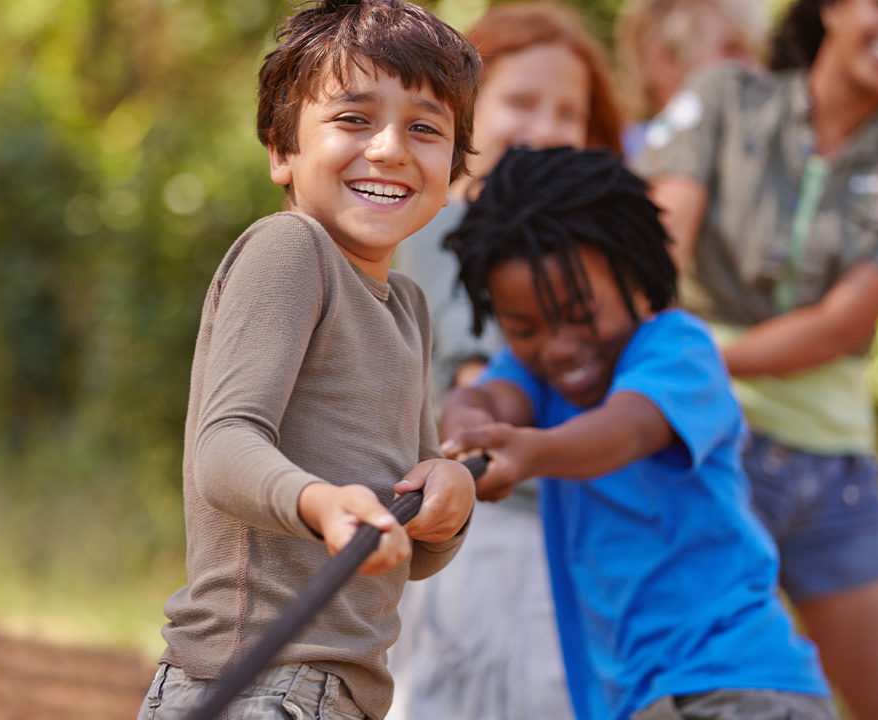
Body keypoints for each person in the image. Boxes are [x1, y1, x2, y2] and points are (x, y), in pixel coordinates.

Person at [640, 0, 878, 714]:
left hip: (831, 477)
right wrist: (675, 364)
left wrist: (700, 355)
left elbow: (839, 327)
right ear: (834, 6)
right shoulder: (723, 98)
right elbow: (656, 255)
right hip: (702, 453)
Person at [137, 1, 480, 717]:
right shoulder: (292, 251)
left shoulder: (406, 306)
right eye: (354, 119)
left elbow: (405, 547)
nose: (389, 148)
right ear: (281, 150)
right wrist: (319, 503)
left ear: (453, 170)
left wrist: (447, 502)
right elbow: (222, 448)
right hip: (256, 682)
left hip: (341, 690)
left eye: (424, 128)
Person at [440, 146, 835, 720]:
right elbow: (482, 397)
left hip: (738, 686)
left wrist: (531, 450)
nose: (558, 346)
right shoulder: (531, 376)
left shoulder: (678, 350)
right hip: (634, 703)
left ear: (637, 275)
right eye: (523, 327)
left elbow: (626, 431)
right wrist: (467, 432)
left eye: (580, 314)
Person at [387, 5, 622, 718]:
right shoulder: (454, 223)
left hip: (551, 527)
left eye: (567, 113)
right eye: (520, 102)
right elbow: (473, 377)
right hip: (487, 531)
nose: (544, 128)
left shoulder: (566, 250)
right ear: (464, 111)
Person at [613, 0, 764, 162]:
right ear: (666, 61)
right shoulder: (620, 162)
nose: (757, 70)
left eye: (757, 53)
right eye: (732, 50)